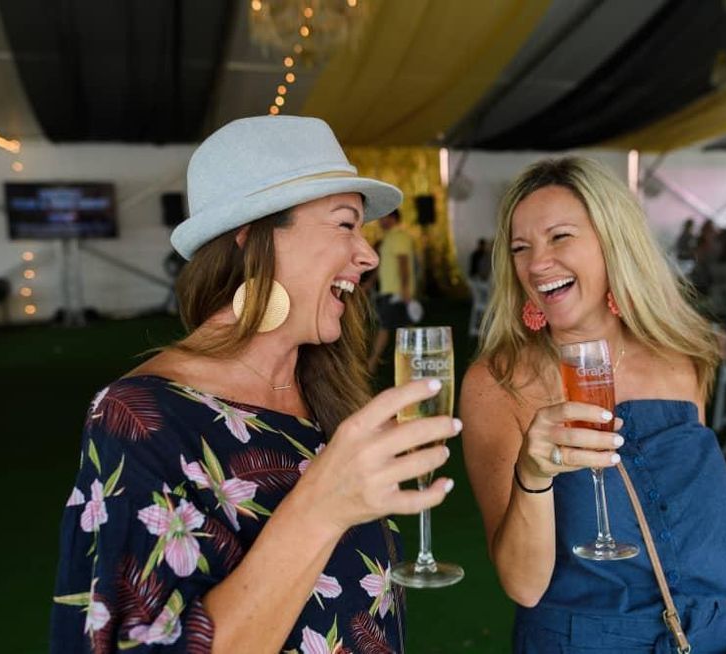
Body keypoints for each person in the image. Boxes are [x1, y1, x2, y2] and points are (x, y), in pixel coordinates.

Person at [50, 116, 460, 653]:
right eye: (345, 224)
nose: (369, 255)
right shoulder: (141, 418)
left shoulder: (324, 393)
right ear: (251, 237)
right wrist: (321, 506)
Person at [459, 157, 726, 653]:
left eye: (559, 237)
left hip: (710, 639)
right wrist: (533, 475)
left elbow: (702, 532)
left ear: (613, 241)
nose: (536, 263)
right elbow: (523, 585)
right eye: (520, 248)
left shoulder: (680, 360)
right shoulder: (498, 382)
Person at [367, 208, 417, 373]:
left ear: (393, 218)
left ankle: (372, 363)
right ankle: (411, 364)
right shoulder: (388, 238)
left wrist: (404, 290)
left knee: (385, 326)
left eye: (383, 218)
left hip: (396, 292)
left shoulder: (399, 237)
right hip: (391, 291)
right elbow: (381, 266)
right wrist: (369, 283)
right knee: (403, 327)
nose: (380, 222)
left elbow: (403, 263)